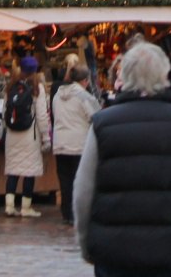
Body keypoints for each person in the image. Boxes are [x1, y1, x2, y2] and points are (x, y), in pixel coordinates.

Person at [74, 42, 171, 277]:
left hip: (116, 251)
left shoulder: (103, 124)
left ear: (124, 76)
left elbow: (83, 192)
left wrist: (86, 242)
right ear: (165, 75)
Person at [51, 55, 102, 224]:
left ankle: (67, 212)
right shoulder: (84, 96)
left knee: (64, 180)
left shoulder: (58, 95)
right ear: (85, 80)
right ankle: (77, 212)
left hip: (60, 143)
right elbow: (97, 116)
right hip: (79, 144)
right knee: (79, 179)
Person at [4, 55, 52, 217]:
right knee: (28, 172)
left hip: (12, 135)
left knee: (13, 170)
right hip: (29, 136)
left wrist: (8, 128)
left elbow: (5, 110)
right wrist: (46, 137)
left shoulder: (11, 86)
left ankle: (9, 206)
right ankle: (26, 207)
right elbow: (41, 116)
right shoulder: (37, 88)